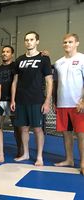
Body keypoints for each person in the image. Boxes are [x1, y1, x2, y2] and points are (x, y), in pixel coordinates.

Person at [10, 31, 53, 166]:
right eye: (27, 40)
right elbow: (15, 81)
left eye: (32, 39)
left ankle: (39, 156)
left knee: (38, 129)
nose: (29, 42)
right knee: (23, 128)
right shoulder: (19, 60)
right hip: (21, 100)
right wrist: (13, 99)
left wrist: (47, 101)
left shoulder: (44, 59)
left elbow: (49, 81)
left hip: (36, 99)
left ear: (37, 41)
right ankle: (26, 153)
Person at [53, 33, 84, 174]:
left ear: (77, 43)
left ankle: (83, 162)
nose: (67, 44)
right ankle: (69, 159)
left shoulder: (82, 59)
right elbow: (56, 84)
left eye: (70, 42)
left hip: (78, 104)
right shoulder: (59, 62)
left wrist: (83, 101)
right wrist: (55, 102)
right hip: (62, 104)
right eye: (65, 42)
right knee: (66, 134)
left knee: (81, 134)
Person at [0, 45, 22, 157]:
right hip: (0, 101)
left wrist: (42, 54)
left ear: (12, 54)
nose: (4, 53)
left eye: (7, 52)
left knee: (17, 127)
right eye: (3, 51)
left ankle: (20, 149)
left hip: (13, 101)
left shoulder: (16, 66)